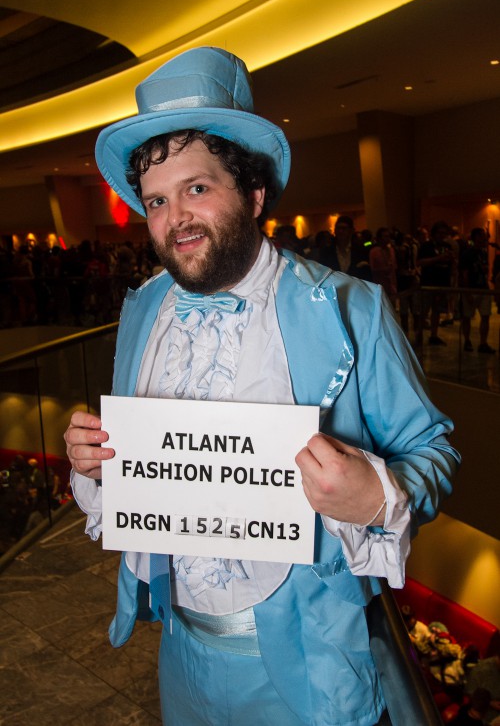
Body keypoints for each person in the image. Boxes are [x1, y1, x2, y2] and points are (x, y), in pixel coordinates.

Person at [64, 47, 459, 726]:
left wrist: (376, 494)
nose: (175, 218)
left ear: (252, 194)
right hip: (181, 652)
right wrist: (96, 460)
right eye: (156, 200)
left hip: (312, 665)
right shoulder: (142, 308)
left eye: (196, 188)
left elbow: (435, 451)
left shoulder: (348, 307)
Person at [417, 220, 455, 346]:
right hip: (428, 283)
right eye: (439, 233)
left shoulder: (447, 246)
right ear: (434, 233)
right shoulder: (426, 246)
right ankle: (419, 334)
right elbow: (420, 262)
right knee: (424, 310)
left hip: (442, 283)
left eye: (444, 233)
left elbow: (451, 266)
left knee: (437, 310)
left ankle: (434, 334)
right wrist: (438, 258)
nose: (442, 235)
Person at [460, 228, 495, 354]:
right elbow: (464, 273)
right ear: (475, 238)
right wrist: (467, 292)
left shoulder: (484, 252)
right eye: (481, 237)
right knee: (467, 316)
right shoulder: (467, 253)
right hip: (472, 288)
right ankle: (467, 340)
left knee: (485, 316)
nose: (484, 239)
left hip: (483, 288)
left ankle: (483, 343)